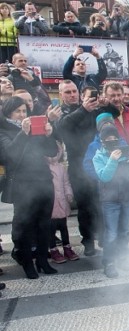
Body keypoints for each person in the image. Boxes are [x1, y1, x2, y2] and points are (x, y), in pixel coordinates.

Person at [0, 97, 58, 279]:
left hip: (43, 181)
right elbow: (9, 156)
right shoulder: (4, 131)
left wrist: (49, 135)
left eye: (24, 111)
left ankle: (42, 260)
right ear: (9, 113)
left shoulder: (34, 128)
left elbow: (51, 152)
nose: (22, 115)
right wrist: (23, 134)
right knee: (25, 226)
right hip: (23, 185)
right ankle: (27, 263)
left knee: (44, 224)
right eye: (18, 111)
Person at [55, 80, 102, 256]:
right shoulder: (61, 111)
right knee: (85, 206)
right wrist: (84, 109)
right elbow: (61, 127)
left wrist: (102, 105)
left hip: (97, 161)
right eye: (67, 92)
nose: (72, 95)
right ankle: (88, 241)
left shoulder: (90, 107)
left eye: (74, 91)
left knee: (100, 202)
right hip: (77, 165)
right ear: (61, 95)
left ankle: (103, 235)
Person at [92, 122, 129, 278]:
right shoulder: (98, 157)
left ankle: (123, 257)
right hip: (110, 200)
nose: (112, 141)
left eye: (114, 138)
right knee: (111, 233)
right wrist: (112, 160)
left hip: (126, 197)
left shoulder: (124, 153)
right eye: (108, 139)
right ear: (103, 141)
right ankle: (109, 262)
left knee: (125, 231)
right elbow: (104, 176)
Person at [47, 141, 80, 263]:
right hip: (51, 203)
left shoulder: (61, 168)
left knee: (63, 227)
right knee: (51, 228)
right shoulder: (45, 168)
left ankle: (67, 248)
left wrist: (69, 194)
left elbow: (66, 182)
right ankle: (53, 249)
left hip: (61, 201)